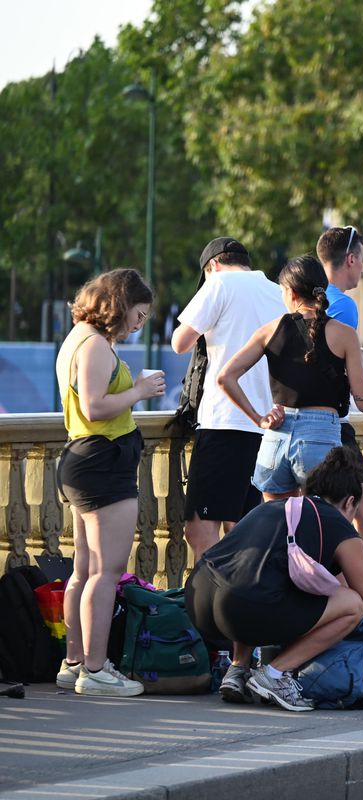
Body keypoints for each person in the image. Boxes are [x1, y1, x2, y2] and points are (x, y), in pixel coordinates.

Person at [185, 447, 363, 712]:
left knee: (257, 580)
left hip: (198, 600)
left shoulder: (273, 508)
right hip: (242, 607)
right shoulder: (339, 526)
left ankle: (238, 670)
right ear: (350, 502)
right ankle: (274, 675)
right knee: (352, 605)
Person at [54, 269, 164, 697]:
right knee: (107, 571)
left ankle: (74, 661)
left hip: (84, 459)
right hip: (102, 462)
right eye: (140, 313)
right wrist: (139, 390)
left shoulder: (78, 337)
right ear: (120, 303)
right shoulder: (96, 344)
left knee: (84, 570)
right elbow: (96, 405)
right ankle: (97, 671)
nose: (142, 323)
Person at [217, 255, 363, 500]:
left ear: (290, 293)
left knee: (279, 528)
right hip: (321, 440)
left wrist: (259, 419)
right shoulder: (344, 335)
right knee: (323, 528)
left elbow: (225, 377)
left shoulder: (269, 330)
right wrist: (358, 364)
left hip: (276, 437)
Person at [171, 237, 285, 557]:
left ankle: (210, 605)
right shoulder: (277, 291)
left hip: (225, 421)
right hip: (267, 426)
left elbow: (180, 342)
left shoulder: (219, 283)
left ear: (213, 266)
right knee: (247, 529)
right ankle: (242, 603)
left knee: (200, 528)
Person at [315, 226, 363, 592]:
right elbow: (350, 379)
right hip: (333, 427)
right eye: (362, 261)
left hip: (292, 429)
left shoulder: (301, 302)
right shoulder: (343, 305)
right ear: (351, 259)